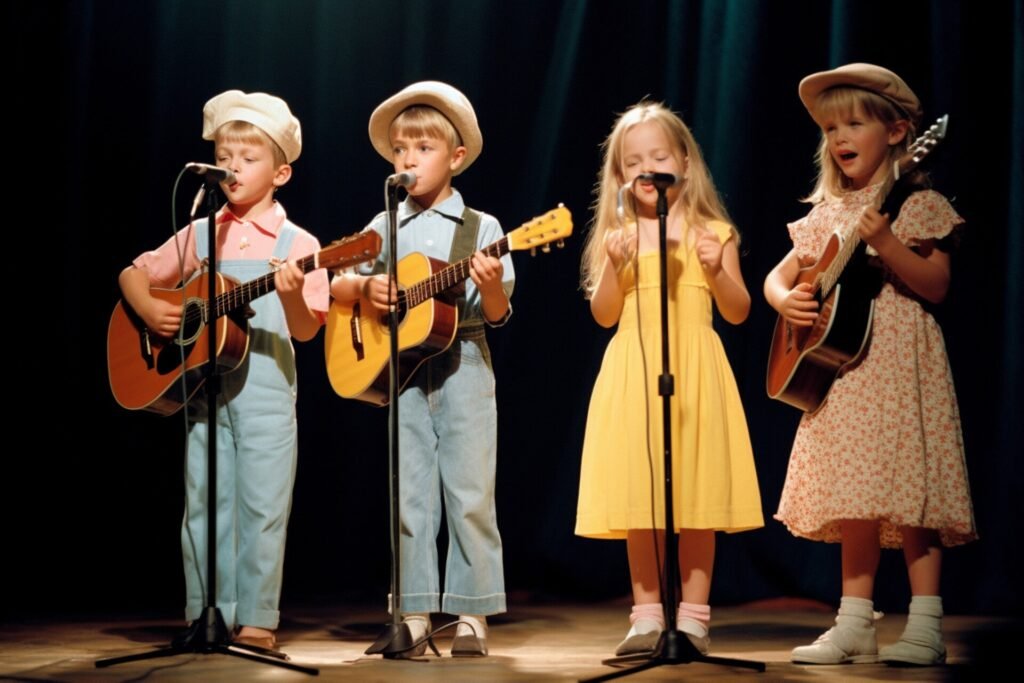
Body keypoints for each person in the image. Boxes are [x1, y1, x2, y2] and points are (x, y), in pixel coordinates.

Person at [764, 63, 976, 666]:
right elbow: (775, 281)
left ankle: (926, 625)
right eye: (831, 128)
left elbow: (935, 285)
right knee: (854, 495)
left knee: (912, 495)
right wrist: (792, 300)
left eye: (854, 123)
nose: (840, 137)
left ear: (901, 131)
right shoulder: (828, 212)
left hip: (901, 360)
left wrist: (885, 244)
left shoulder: (918, 201)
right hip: (844, 373)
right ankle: (854, 622)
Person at [118, 90, 329, 651]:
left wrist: (288, 297)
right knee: (204, 500)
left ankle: (257, 618)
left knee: (262, 502)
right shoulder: (202, 231)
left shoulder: (298, 244)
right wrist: (148, 308)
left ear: (281, 172)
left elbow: (308, 330)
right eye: (223, 155)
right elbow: (134, 273)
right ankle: (205, 612)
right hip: (203, 388)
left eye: (248, 157)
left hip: (265, 386)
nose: (232, 167)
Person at [331, 81, 513, 657]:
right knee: (409, 496)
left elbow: (500, 310)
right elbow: (336, 280)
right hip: (403, 375)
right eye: (400, 150)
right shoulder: (386, 225)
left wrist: (489, 287)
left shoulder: (480, 227)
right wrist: (365, 284)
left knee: (469, 492)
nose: (408, 159)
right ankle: (410, 611)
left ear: (456, 157)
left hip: (465, 368)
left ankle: (470, 614)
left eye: (423, 148)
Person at [575, 101, 763, 657]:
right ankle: (647, 615)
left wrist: (712, 267)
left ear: (684, 161)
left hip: (696, 369)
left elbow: (738, 310)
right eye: (633, 161)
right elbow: (604, 314)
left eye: (659, 156)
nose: (647, 168)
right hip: (634, 371)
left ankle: (696, 617)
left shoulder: (713, 231)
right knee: (643, 496)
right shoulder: (620, 235)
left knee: (697, 493)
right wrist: (613, 263)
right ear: (619, 176)